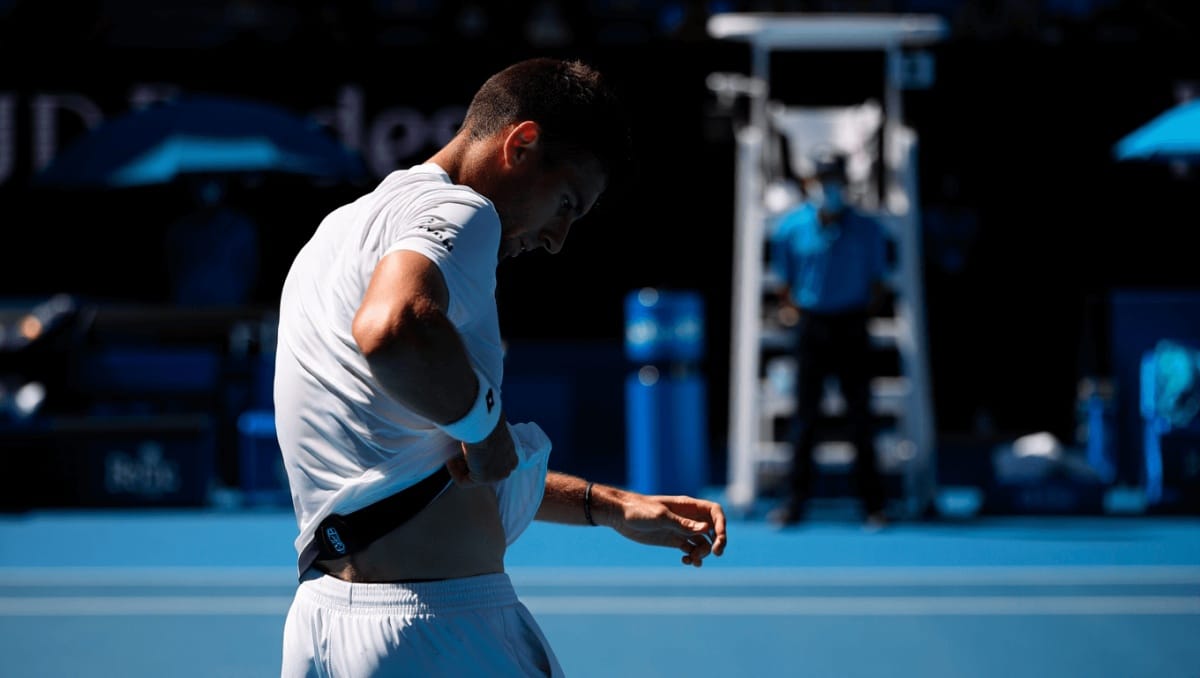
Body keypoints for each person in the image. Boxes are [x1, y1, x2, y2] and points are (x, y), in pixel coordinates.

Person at [273, 57, 728, 677]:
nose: (557, 239)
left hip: (322, 628)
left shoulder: (336, 234)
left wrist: (611, 504)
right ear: (522, 142)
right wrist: (485, 427)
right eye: (567, 202)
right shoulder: (467, 213)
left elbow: (428, 470)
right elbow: (393, 328)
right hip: (438, 632)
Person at [766, 152, 890, 529]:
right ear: (809, 183)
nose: (829, 187)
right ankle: (795, 503)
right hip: (812, 327)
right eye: (822, 179)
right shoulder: (790, 228)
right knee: (805, 420)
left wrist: (854, 310)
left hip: (851, 325)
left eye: (835, 179)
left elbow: (878, 283)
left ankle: (873, 505)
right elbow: (784, 283)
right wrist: (800, 311)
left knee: (860, 419)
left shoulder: (869, 229)